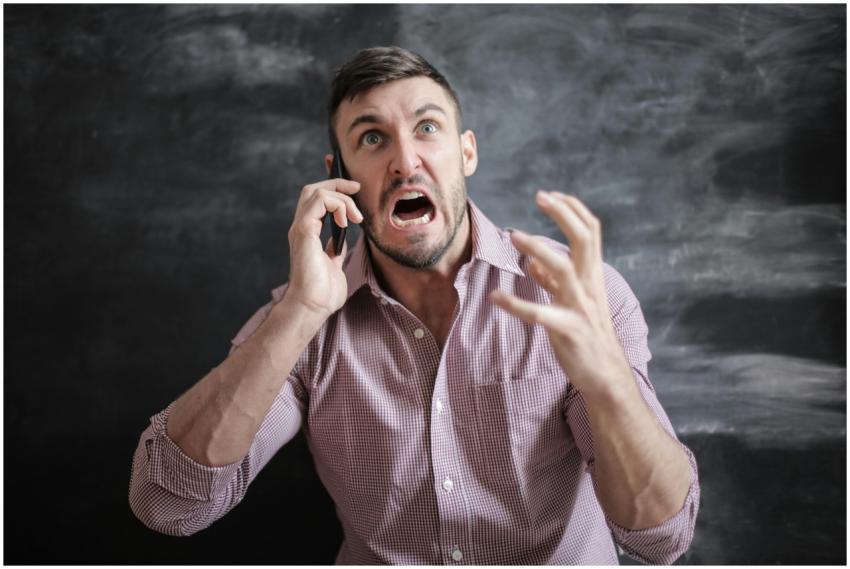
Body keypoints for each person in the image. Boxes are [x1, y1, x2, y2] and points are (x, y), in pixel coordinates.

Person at [129, 46, 700, 564]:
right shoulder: (301, 321)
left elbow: (658, 539)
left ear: (466, 152)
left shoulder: (577, 293)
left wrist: (609, 385)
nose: (405, 162)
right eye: (371, 138)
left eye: (427, 127)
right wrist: (301, 311)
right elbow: (170, 507)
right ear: (340, 179)